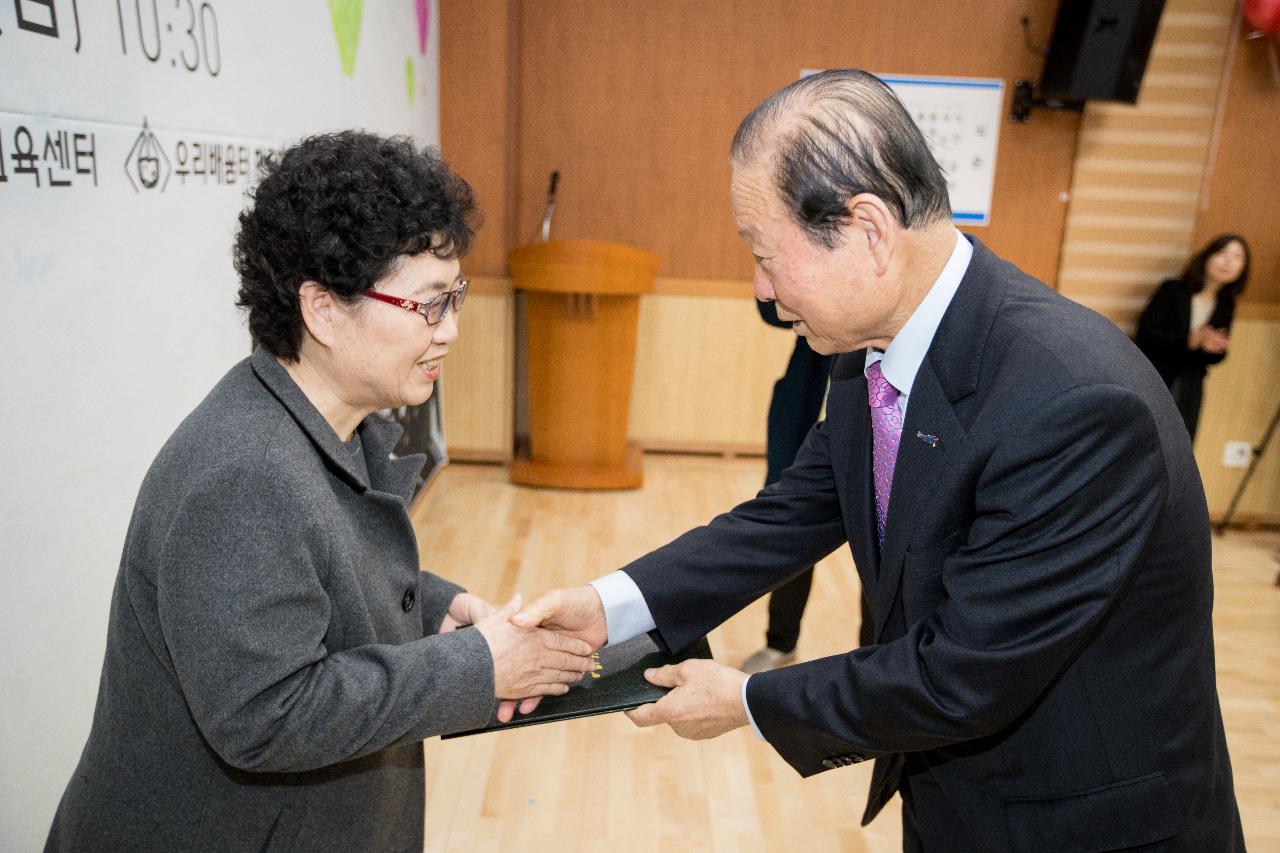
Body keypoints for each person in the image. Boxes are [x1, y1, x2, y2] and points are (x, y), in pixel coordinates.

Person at [512, 70, 1244, 851]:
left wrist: (751, 701)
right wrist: (610, 605)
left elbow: (965, 673)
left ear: (867, 231)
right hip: (956, 800)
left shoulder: (1074, 403)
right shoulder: (870, 347)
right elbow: (792, 511)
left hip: (1083, 824)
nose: (761, 289)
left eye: (765, 254)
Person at [44, 131, 595, 853]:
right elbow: (266, 712)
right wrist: (479, 665)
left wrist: (430, 606)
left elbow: (301, 575)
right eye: (429, 304)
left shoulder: (318, 419)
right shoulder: (242, 473)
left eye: (454, 298)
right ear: (322, 308)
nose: (451, 330)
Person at [739, 300, 843, 675]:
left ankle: (878, 656)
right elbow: (773, 313)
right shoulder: (814, 257)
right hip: (804, 410)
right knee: (788, 526)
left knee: (883, 540)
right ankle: (780, 642)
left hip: (882, 417)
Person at [1136, 234, 1250, 441]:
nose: (1228, 261)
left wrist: (1212, 349)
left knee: (1181, 443)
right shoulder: (1173, 289)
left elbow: (1216, 357)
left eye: (1237, 257)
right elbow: (1146, 332)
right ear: (1207, 256)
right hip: (1156, 375)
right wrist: (1187, 341)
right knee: (1145, 437)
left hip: (1190, 383)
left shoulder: (1226, 303)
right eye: (1222, 253)